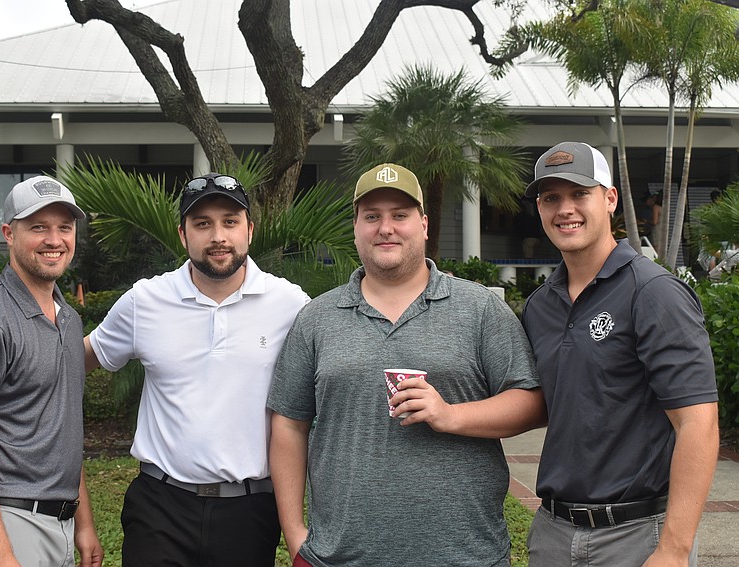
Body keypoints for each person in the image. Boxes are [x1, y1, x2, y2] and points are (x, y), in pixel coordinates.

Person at [268, 163, 547, 566]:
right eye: (372, 217)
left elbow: (531, 402)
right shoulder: (317, 317)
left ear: (424, 225)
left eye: (400, 215)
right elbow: (289, 425)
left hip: (464, 555)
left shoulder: (480, 309)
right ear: (356, 227)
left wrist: (451, 414)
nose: (386, 228)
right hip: (342, 557)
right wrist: (295, 535)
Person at [84, 173, 310, 566]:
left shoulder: (290, 305)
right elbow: (75, 360)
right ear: (183, 235)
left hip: (250, 510)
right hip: (159, 507)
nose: (218, 235)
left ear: (250, 230)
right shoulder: (146, 300)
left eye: (230, 221)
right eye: (202, 224)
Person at [521, 142, 720, 567]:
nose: (565, 209)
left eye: (579, 194)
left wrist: (673, 549)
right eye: (551, 198)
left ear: (609, 199)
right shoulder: (540, 305)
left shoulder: (654, 292)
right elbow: (544, 401)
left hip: (636, 537)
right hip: (553, 535)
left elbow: (697, 424)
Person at [0, 176, 103, 567]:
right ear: (9, 234)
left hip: (57, 522)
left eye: (65, 227)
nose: (54, 240)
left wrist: (83, 524)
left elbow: (61, 426)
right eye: (38, 228)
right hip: (3, 522)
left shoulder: (69, 320)